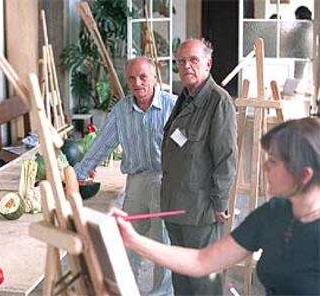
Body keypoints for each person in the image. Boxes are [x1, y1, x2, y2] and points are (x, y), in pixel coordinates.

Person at [114, 117, 320, 296]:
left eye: (273, 161)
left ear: (304, 175)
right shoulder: (274, 212)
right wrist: (134, 239)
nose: (265, 166)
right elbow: (201, 260)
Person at [75, 56, 176, 295]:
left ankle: (162, 293)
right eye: (132, 78)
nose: (137, 83)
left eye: (143, 77)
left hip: (166, 179)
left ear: (154, 77)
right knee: (128, 236)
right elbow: (102, 144)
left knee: (162, 241)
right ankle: (126, 289)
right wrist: (78, 172)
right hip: (137, 180)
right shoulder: (121, 110)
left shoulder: (173, 105)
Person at [161, 38, 237, 295]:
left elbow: (226, 157)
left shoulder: (218, 101)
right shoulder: (184, 97)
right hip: (174, 206)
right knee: (181, 278)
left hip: (200, 210)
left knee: (204, 282)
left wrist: (219, 203)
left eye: (193, 60)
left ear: (208, 63)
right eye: (181, 61)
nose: (186, 66)